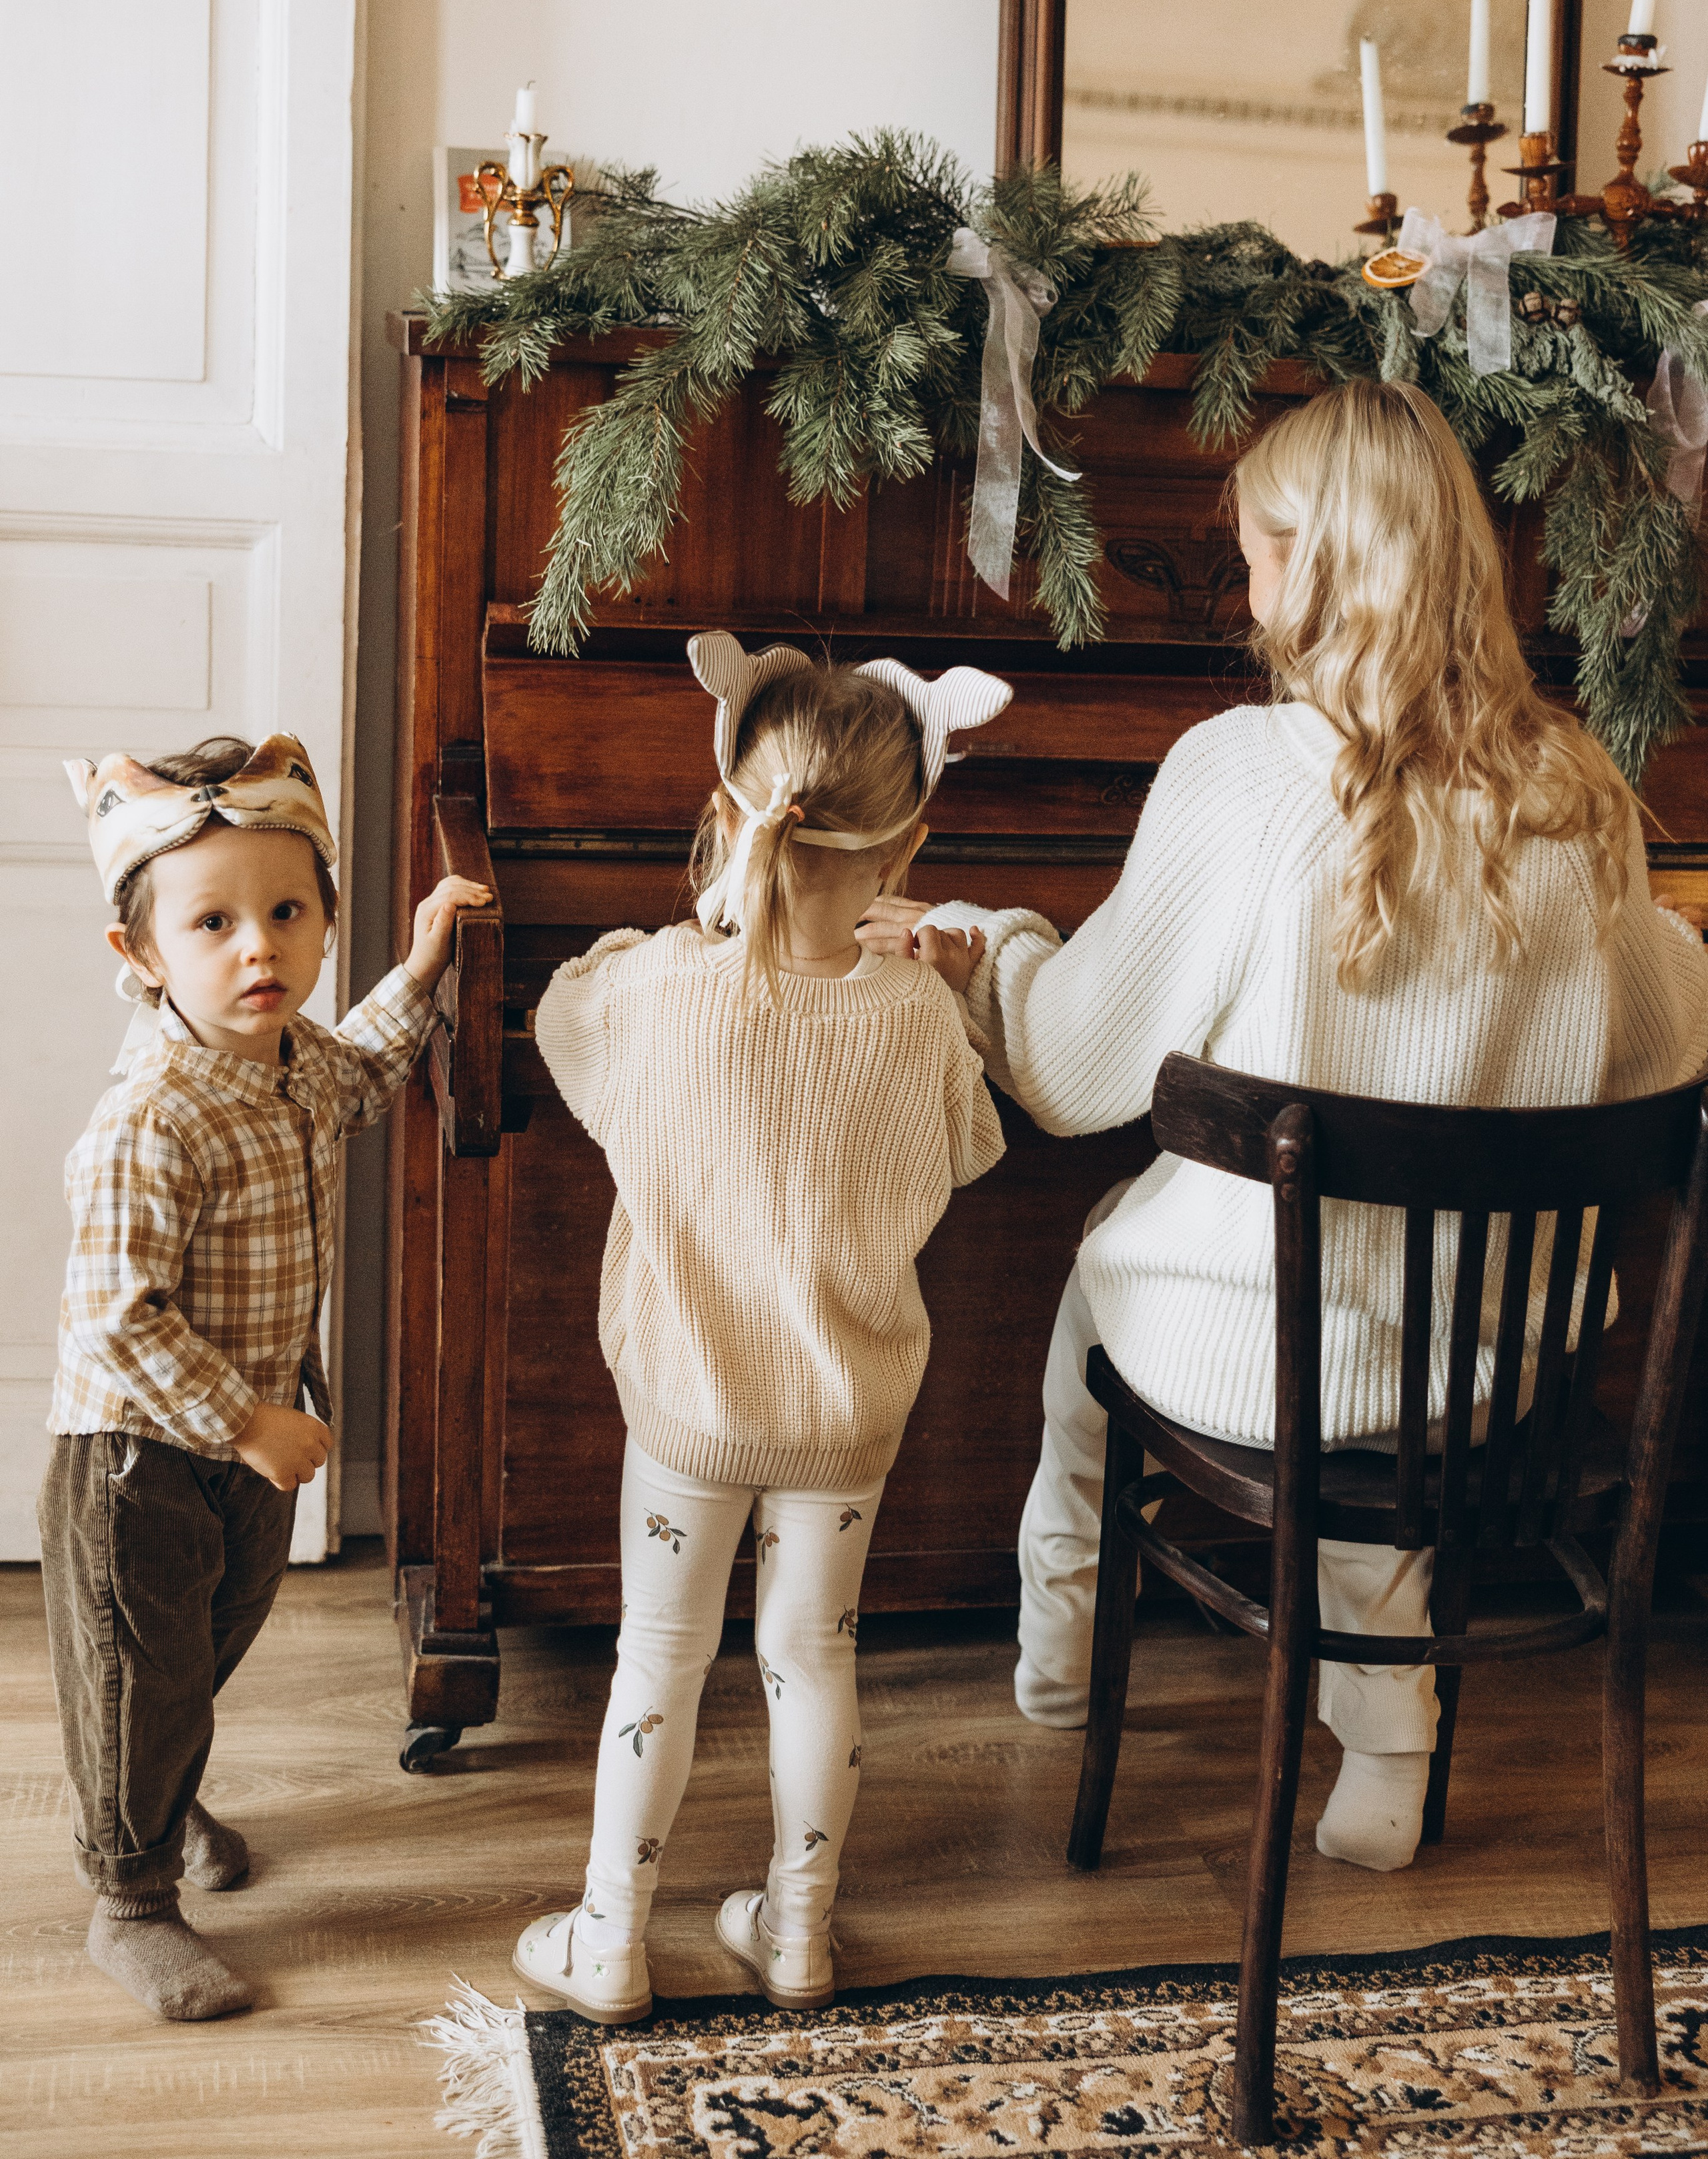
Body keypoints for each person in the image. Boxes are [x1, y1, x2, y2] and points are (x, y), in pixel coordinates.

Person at [859, 376, 1708, 1875]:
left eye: (1253, 545)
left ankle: (1057, 1658)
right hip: (1496, 1368)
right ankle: (1384, 1745)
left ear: (1311, 560)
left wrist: (988, 939)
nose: (1243, 579)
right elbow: (1656, 1041)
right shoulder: (1578, 786)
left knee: (1100, 1301)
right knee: (1376, 1336)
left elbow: (1068, 1072)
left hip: (1251, 1354)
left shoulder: (1239, 777)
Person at [512, 632, 1007, 2024]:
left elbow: (564, 1023)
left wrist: (679, 928)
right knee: (813, 1657)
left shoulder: (654, 990)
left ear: (730, 809)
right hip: (843, 1419)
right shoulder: (913, 1014)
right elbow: (965, 1153)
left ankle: (609, 1936)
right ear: (909, 837)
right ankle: (796, 1933)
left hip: (691, 1408)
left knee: (657, 1657)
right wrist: (948, 985)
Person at [45, 733, 489, 2021]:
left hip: (251, 1447)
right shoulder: (155, 1115)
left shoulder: (290, 1063)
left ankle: (166, 1798)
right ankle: (129, 1903)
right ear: (141, 956)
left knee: (201, 1654)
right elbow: (114, 1315)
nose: (261, 949)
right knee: (138, 1671)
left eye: (289, 913)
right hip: (141, 1462)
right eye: (216, 922)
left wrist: (419, 964)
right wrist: (244, 1420)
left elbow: (366, 1070)